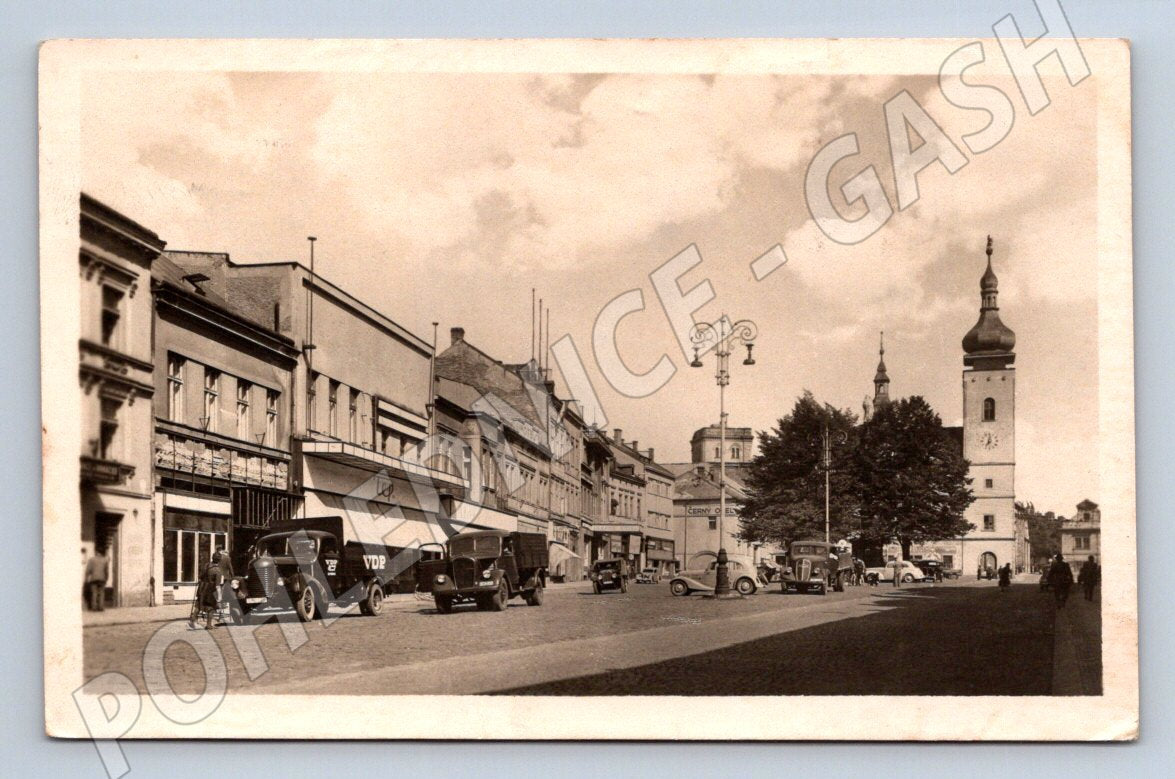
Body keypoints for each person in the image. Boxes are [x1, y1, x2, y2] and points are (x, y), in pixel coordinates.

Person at [84, 547, 110, 611]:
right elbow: (106, 571)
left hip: (94, 579)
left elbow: (88, 570)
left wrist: (86, 579)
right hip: (102, 578)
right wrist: (106, 578)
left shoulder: (91, 560)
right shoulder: (105, 560)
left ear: (96, 552)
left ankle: (94, 607)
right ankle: (101, 607)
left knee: (94, 593)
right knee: (101, 593)